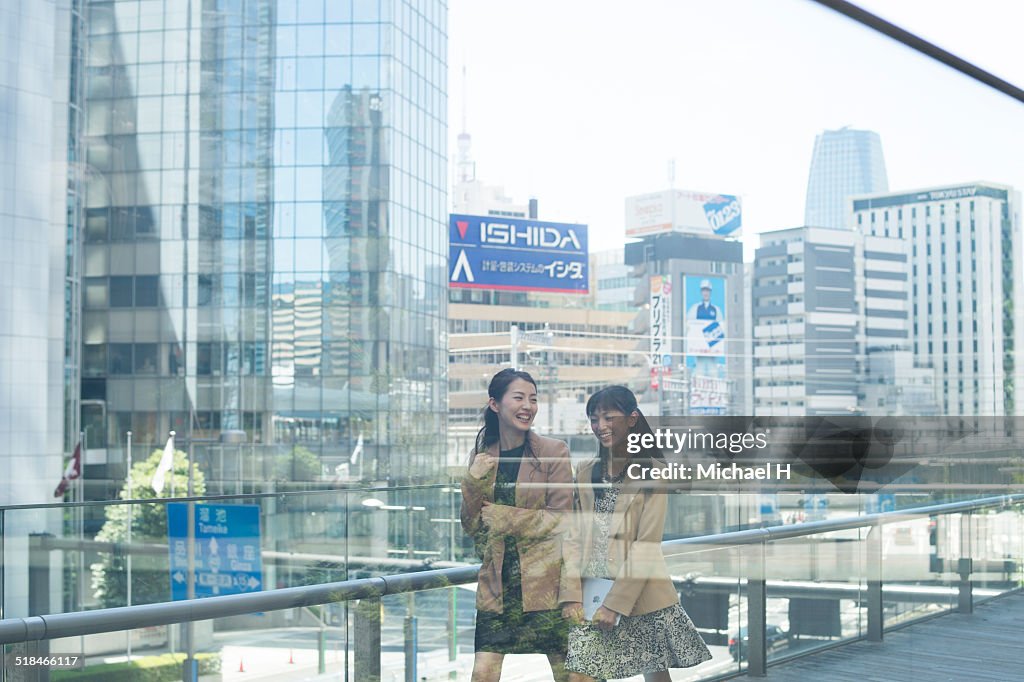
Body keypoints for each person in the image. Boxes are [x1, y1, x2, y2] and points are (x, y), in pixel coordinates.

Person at [563, 385, 712, 682]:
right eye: (594, 419)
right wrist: (570, 595)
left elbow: (647, 545)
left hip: (639, 593)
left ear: (632, 419)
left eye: (608, 417)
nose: (600, 426)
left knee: (655, 676)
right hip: (593, 593)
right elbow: (572, 537)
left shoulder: (653, 472)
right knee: (580, 676)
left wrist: (615, 604)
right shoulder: (585, 471)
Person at [461, 368, 577, 682]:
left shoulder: (554, 452)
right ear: (495, 404)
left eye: (533, 399)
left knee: (572, 676)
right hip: (498, 587)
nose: (528, 405)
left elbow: (562, 521)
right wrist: (471, 481)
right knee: (483, 674)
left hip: (547, 585)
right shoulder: (482, 456)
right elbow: (472, 525)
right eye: (519, 397)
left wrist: (506, 518)